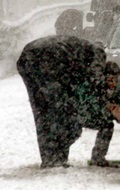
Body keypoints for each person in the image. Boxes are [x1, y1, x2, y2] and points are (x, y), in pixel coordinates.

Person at [16, 35, 105, 168]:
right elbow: (95, 77)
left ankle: (49, 157)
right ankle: (57, 157)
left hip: (27, 59)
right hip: (49, 59)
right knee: (59, 113)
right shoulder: (96, 51)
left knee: (42, 112)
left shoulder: (78, 46)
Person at [76, 61, 120, 167]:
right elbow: (88, 105)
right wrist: (110, 110)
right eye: (110, 80)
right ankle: (97, 158)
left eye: (116, 80)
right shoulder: (94, 87)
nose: (113, 83)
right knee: (106, 125)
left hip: (104, 112)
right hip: (83, 114)